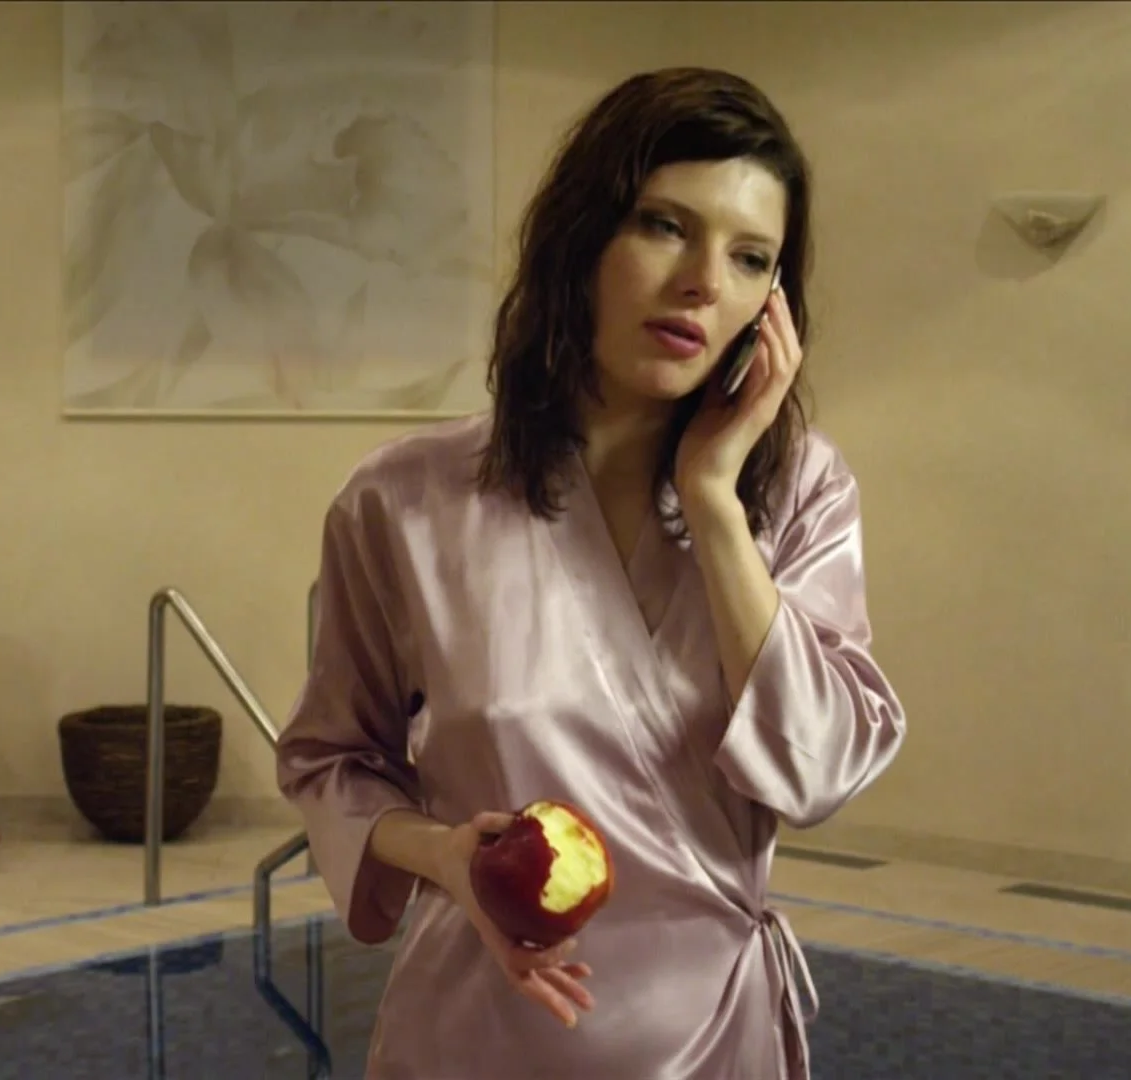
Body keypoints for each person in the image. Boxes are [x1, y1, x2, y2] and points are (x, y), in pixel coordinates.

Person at [275, 66, 907, 1080]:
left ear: (773, 304)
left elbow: (820, 771)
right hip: (477, 1029)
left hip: (710, 1039)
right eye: (665, 226)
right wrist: (447, 858)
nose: (704, 282)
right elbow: (330, 762)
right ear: (581, 239)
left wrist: (713, 498)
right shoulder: (403, 501)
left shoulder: (800, 493)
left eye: (751, 257)